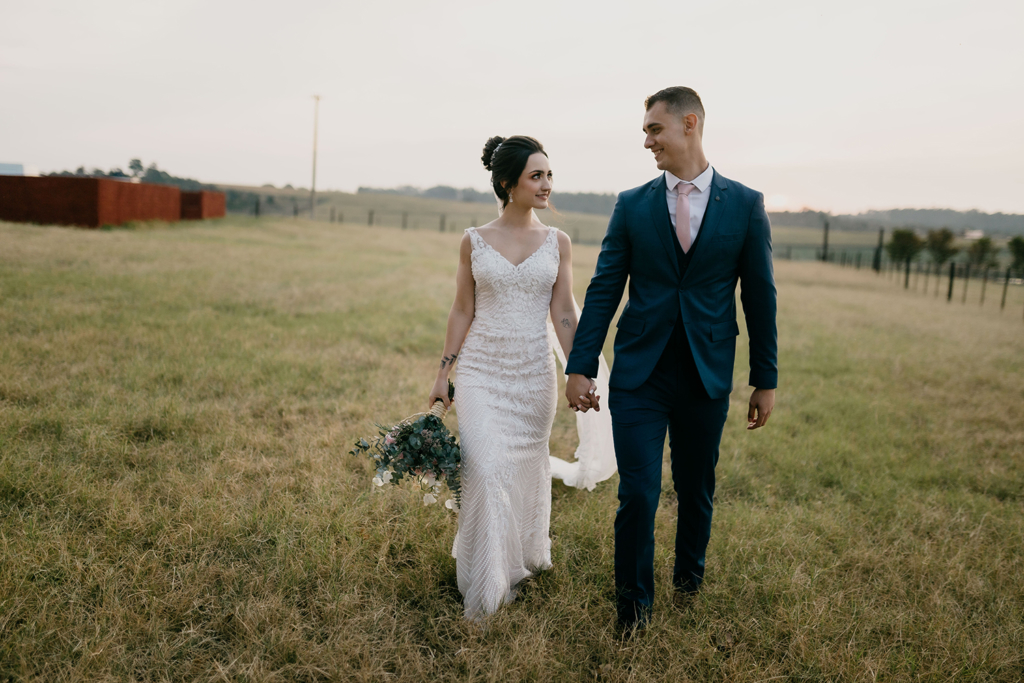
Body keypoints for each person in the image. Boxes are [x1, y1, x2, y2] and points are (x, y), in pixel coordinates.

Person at [564, 87, 778, 631]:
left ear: (689, 124)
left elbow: (759, 296)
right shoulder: (632, 204)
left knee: (695, 487)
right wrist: (580, 365)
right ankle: (633, 607)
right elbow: (606, 286)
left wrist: (764, 379)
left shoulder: (746, 204)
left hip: (706, 375)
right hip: (641, 372)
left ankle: (689, 580)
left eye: (654, 130)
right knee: (637, 491)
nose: (646, 141)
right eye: (644, 131)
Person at [427, 135, 604, 620]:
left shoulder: (558, 243)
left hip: (533, 377)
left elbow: (565, 312)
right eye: (536, 176)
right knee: (484, 469)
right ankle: (485, 581)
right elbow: (463, 308)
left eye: (549, 175)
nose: (547, 184)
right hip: (483, 373)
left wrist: (579, 369)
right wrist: (445, 373)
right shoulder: (473, 240)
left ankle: (520, 557)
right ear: (508, 183)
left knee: (524, 469)